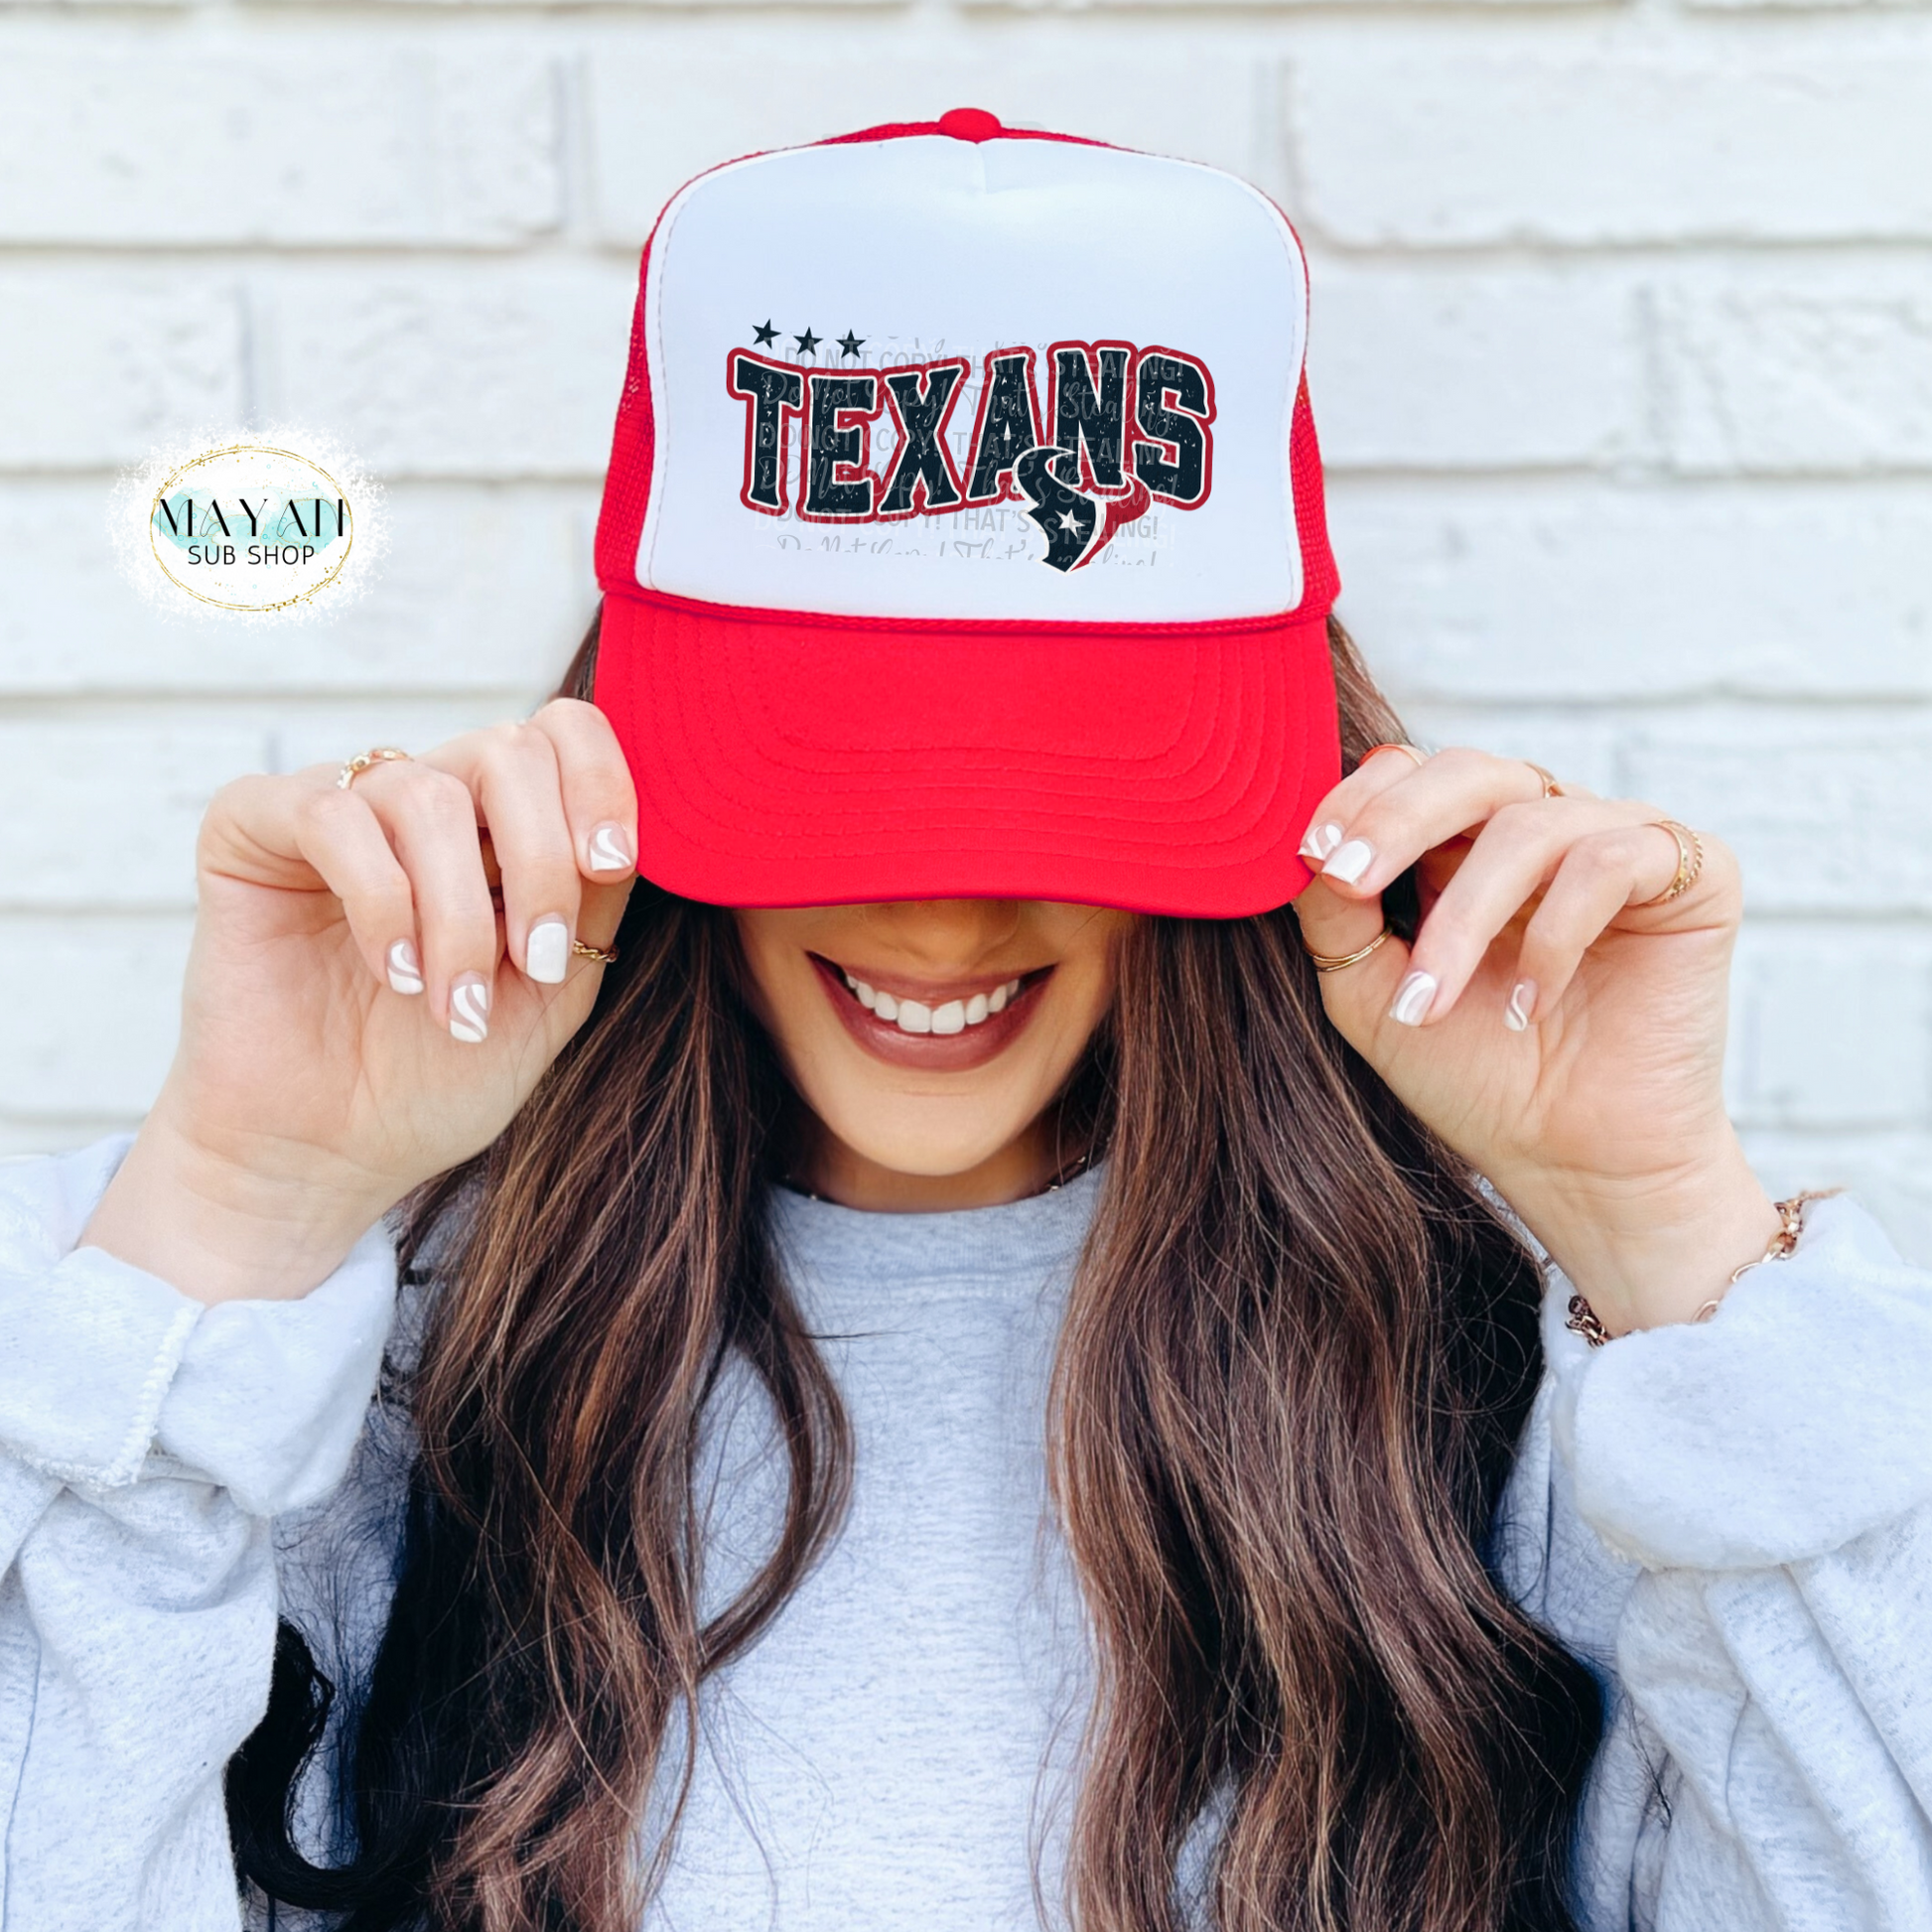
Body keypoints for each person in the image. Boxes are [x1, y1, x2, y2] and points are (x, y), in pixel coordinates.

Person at [4, 111, 1931, 1932]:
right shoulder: (380, 1358)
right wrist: (228, 1218)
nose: (939, 899)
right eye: (831, 785)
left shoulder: (1544, 1381)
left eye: (1067, 791)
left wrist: (1668, 1236)